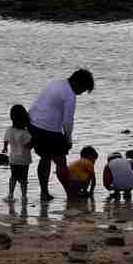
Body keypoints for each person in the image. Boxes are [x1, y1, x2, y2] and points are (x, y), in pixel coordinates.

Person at [28, 68, 94, 201]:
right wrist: (68, 139)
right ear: (78, 83)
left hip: (33, 123)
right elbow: (67, 122)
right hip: (49, 129)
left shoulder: (55, 83)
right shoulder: (70, 95)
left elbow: (38, 103)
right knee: (61, 163)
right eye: (83, 90)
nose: (81, 93)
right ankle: (70, 194)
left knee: (45, 158)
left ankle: (44, 193)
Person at [1, 104, 33, 202]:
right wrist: (34, 139)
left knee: (13, 177)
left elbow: (6, 140)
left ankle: (10, 195)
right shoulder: (25, 133)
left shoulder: (8, 130)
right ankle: (24, 196)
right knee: (24, 178)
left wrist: (5, 148)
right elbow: (28, 146)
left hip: (13, 159)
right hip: (24, 159)